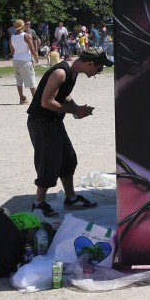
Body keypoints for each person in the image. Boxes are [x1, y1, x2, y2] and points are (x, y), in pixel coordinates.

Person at [26, 46, 113, 218]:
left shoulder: (72, 72)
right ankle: (38, 203)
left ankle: (71, 198)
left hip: (54, 122)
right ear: (89, 63)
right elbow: (46, 102)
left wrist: (75, 107)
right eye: (99, 68)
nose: (99, 72)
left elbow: (63, 94)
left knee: (68, 159)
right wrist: (74, 111)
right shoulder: (60, 72)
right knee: (48, 163)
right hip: (41, 123)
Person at [10, 19, 39, 105]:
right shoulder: (26, 36)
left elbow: (12, 51)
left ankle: (22, 98)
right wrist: (36, 57)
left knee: (19, 81)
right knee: (31, 81)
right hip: (25, 61)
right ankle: (36, 100)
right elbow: (32, 48)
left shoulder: (12, 36)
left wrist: (16, 56)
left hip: (16, 60)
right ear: (22, 26)